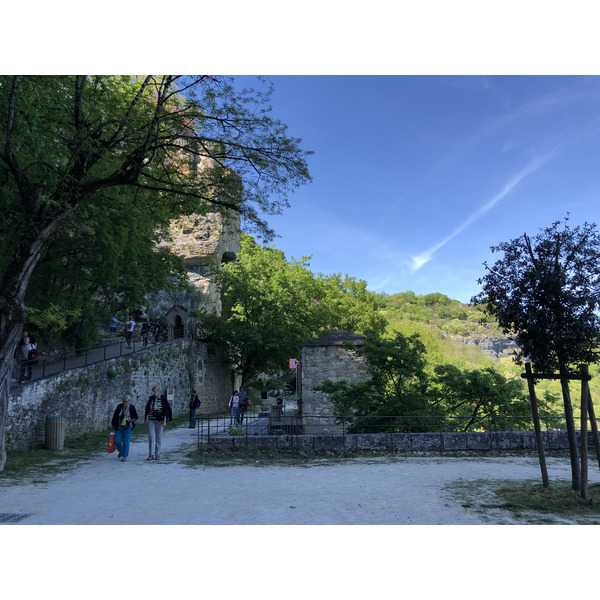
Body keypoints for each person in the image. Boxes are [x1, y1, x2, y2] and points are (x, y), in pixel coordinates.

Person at [144, 385, 172, 460]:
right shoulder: (151, 399)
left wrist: (165, 420)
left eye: (155, 391)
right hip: (151, 420)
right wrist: (146, 418)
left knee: (158, 437)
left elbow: (165, 410)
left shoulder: (163, 399)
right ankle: (151, 454)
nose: (154, 393)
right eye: (153, 391)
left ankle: (157, 453)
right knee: (151, 436)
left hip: (160, 420)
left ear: (159, 391)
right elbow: (147, 409)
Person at [111, 395, 138, 462]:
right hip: (119, 426)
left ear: (129, 401)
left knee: (126, 441)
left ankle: (124, 456)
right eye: (123, 401)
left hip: (128, 427)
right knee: (117, 441)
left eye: (125, 401)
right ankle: (121, 450)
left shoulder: (131, 407)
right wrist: (113, 424)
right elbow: (115, 415)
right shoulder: (119, 406)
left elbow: (135, 417)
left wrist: (131, 420)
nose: (124, 403)